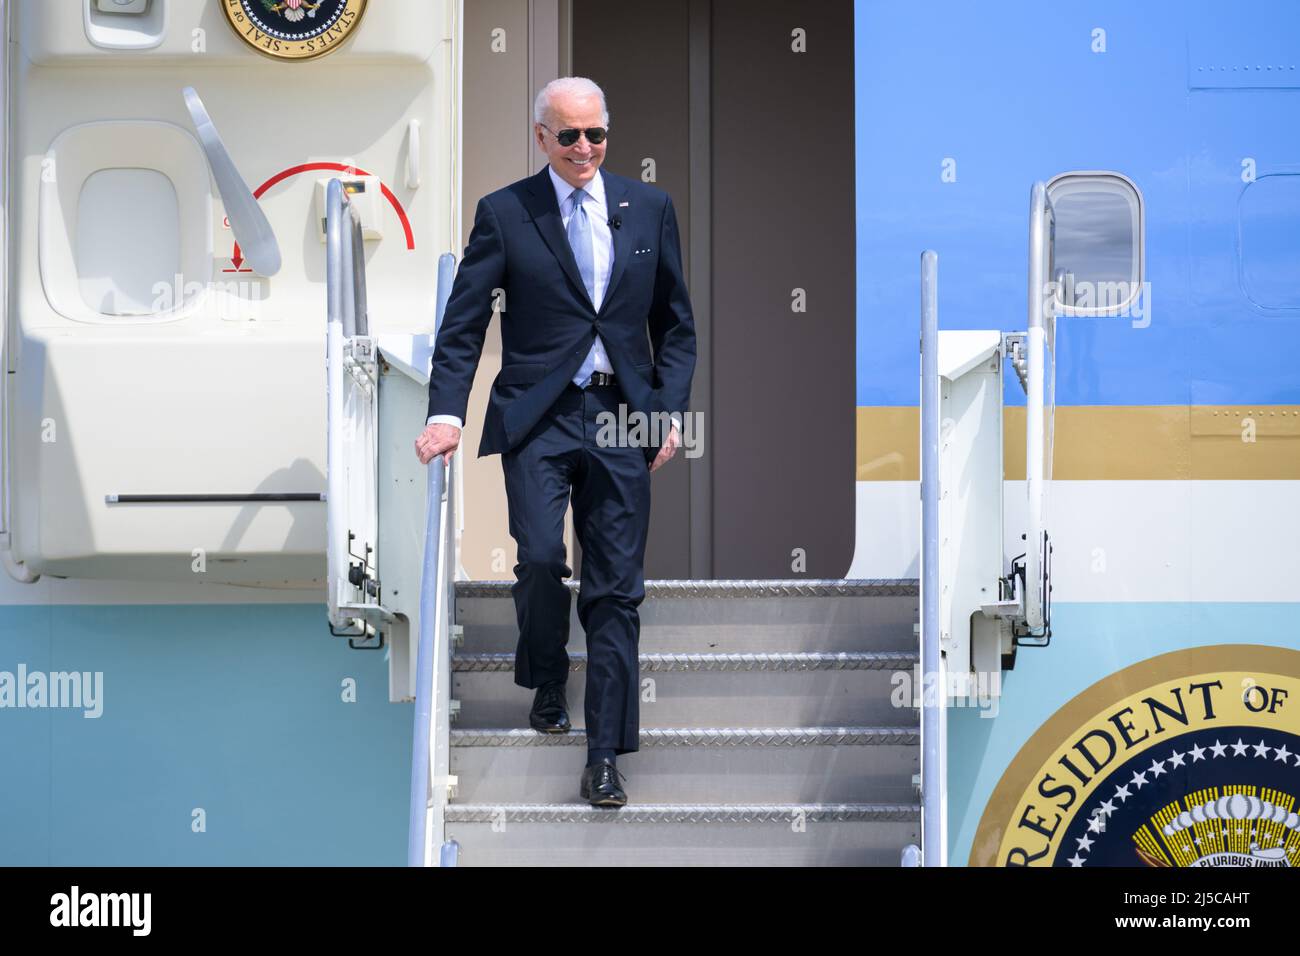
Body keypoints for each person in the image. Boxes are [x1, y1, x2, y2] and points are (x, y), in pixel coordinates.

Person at [414, 76, 696, 807]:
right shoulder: (507, 213)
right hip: (537, 415)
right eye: (567, 135)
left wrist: (664, 411)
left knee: (614, 592)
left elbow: (676, 325)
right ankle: (545, 674)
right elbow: (465, 323)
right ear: (541, 136)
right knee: (540, 558)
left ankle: (604, 755)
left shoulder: (649, 207)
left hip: (620, 415)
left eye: (595, 134)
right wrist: (447, 412)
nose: (583, 149)